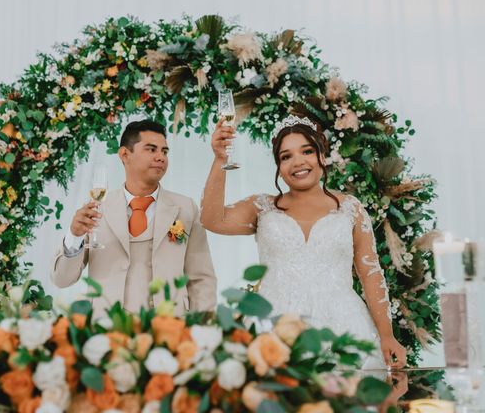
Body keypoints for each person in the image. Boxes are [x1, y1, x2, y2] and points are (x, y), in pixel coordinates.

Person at [200, 114, 406, 369]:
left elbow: (371, 274)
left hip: (345, 326)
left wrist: (387, 335)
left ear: (321, 155)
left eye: (306, 151)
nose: (298, 162)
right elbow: (211, 220)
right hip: (276, 328)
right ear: (278, 166)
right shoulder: (263, 207)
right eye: (286, 156)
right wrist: (220, 159)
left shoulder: (351, 209)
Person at [51, 119, 217, 318]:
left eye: (164, 151)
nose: (160, 157)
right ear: (124, 154)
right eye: (151, 149)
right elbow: (61, 280)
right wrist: (74, 237)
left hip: (169, 329)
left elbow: (201, 279)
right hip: (107, 329)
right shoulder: (95, 209)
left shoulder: (185, 208)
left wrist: (200, 329)